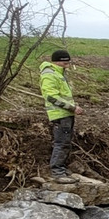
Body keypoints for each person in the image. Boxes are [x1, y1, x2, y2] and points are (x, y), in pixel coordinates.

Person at [39, 49, 80, 184]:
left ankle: (61, 168)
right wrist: (72, 108)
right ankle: (57, 172)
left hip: (65, 114)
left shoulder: (58, 73)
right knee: (61, 143)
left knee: (65, 142)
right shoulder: (50, 74)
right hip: (60, 114)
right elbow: (51, 96)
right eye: (66, 62)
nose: (68, 64)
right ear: (59, 61)